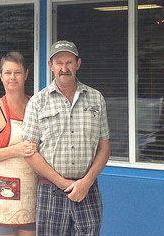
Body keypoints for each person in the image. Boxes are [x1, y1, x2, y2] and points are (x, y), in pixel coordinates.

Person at [22, 40, 110, 236]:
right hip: (50, 191)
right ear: (50, 65)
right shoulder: (38, 102)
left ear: (78, 64)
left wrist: (85, 182)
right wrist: (64, 184)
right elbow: (29, 152)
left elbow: (104, 147)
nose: (64, 68)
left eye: (69, 62)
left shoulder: (96, 99)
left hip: (88, 189)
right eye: (59, 62)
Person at [0, 51, 38, 236]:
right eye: (8, 72)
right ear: (1, 75)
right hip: (3, 192)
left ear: (26, 74)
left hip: (30, 189)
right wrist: (16, 150)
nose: (13, 77)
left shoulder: (35, 105)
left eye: (17, 72)